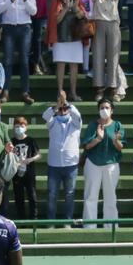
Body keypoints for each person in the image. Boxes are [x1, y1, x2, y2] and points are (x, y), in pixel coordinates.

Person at [81, 98, 124, 228]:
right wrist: (98, 138)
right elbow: (87, 146)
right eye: (101, 108)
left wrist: (116, 140)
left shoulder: (117, 125)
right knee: (90, 196)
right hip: (93, 162)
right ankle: (89, 227)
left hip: (111, 164)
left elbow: (120, 147)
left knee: (110, 196)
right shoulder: (93, 125)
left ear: (112, 110)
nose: (104, 110)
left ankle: (111, 227)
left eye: (107, 108)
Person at [43, 91, 82, 221]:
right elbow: (45, 116)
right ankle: (51, 222)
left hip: (71, 165)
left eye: (65, 108)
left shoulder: (76, 123)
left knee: (70, 194)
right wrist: (56, 106)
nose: (63, 110)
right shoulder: (52, 121)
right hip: (54, 165)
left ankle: (68, 221)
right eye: (61, 108)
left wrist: (66, 103)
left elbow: (77, 115)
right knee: (52, 195)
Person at [9, 117, 40, 220]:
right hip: (16, 172)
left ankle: (33, 218)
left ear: (26, 127)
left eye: (22, 126)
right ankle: (21, 217)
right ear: (13, 127)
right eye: (17, 126)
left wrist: (29, 160)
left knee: (32, 195)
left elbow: (38, 155)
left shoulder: (30, 140)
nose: (19, 128)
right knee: (19, 196)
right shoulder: (12, 141)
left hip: (29, 172)